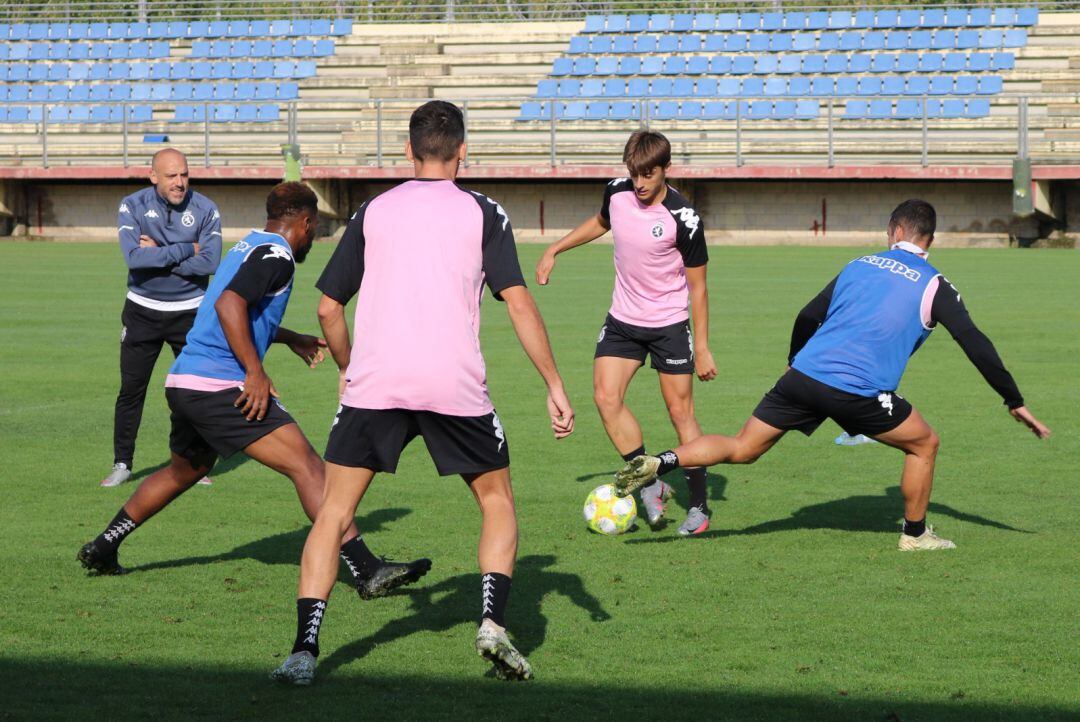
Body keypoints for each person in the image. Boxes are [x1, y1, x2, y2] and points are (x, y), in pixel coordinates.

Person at [271, 101, 575, 686]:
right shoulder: (484, 212)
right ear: (464, 151)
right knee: (496, 501)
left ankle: (304, 652)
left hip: (377, 384)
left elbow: (328, 307)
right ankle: (491, 624)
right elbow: (517, 301)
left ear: (408, 154)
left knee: (333, 513)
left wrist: (348, 366)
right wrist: (554, 385)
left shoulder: (374, 211)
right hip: (453, 384)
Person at [615, 199, 1051, 551]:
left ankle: (661, 461)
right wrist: (1014, 400)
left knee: (742, 447)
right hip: (856, 392)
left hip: (803, 376)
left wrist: (793, 360)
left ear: (894, 231)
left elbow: (807, 314)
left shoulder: (859, 264)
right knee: (924, 444)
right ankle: (916, 536)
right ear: (929, 239)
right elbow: (976, 343)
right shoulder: (936, 285)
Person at [79, 183, 431, 601]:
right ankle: (367, 569)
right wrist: (254, 372)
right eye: (314, 228)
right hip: (220, 386)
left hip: (186, 380)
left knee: (184, 471)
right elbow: (229, 305)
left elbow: (231, 307)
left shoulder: (249, 244)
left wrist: (287, 337)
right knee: (308, 467)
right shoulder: (279, 255)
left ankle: (103, 546)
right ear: (304, 221)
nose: (312, 238)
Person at [536, 131, 717, 536]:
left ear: (666, 169)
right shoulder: (617, 193)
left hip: (669, 324)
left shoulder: (683, 217)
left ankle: (701, 507)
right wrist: (555, 249)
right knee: (605, 397)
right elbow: (601, 222)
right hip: (623, 320)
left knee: (680, 414)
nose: (639, 183)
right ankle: (650, 483)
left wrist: (702, 348)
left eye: (648, 174)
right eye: (634, 173)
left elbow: (699, 288)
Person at [103, 148, 222, 488]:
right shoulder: (132, 205)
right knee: (131, 390)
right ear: (153, 176)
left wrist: (159, 251)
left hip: (190, 313)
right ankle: (122, 463)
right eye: (171, 176)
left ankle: (192, 465)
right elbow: (135, 258)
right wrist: (187, 248)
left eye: (184, 174)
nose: (180, 182)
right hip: (142, 311)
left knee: (190, 391)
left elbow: (211, 263)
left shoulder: (206, 209)